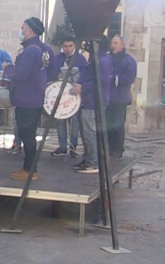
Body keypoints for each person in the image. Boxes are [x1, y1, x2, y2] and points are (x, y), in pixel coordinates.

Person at [4, 17, 50, 181]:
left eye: (23, 28)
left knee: (28, 136)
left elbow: (22, 75)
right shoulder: (39, 49)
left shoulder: (31, 51)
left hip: (28, 100)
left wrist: (7, 68)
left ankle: (30, 170)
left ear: (30, 30)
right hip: (32, 99)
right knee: (27, 135)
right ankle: (28, 168)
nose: (21, 31)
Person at [70, 46, 113, 174]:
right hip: (87, 101)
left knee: (89, 134)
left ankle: (92, 162)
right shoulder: (96, 59)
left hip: (92, 102)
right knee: (85, 133)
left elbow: (101, 82)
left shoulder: (102, 61)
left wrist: (83, 88)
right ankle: (88, 159)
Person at [50, 37, 88, 158]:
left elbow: (85, 74)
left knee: (74, 122)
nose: (68, 49)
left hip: (74, 93)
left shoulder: (80, 59)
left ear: (74, 46)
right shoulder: (57, 59)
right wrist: (57, 74)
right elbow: (51, 73)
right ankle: (62, 146)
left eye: (70, 46)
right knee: (60, 121)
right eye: (65, 46)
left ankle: (73, 147)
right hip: (61, 94)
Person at [107, 35, 136, 160]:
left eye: (115, 43)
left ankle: (117, 150)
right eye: (112, 43)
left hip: (120, 98)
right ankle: (108, 148)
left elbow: (130, 78)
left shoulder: (129, 61)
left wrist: (113, 78)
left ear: (122, 45)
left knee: (118, 126)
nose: (113, 45)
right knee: (107, 125)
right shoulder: (107, 58)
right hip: (108, 98)